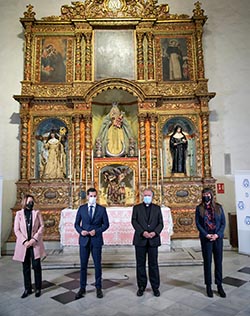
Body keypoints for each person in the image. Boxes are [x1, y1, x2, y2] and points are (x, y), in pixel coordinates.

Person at [74, 187, 110, 299]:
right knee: (83, 266)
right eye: (91, 196)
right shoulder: (82, 209)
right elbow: (76, 224)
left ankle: (98, 288)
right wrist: (81, 231)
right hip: (84, 240)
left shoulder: (102, 209)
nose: (93, 198)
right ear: (87, 197)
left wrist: (97, 231)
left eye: (94, 196)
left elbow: (106, 224)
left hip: (96, 240)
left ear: (97, 197)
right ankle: (82, 288)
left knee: (97, 265)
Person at [131, 188, 164, 297]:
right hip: (140, 240)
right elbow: (134, 221)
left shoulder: (157, 208)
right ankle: (141, 286)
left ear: (152, 196)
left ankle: (155, 287)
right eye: (145, 195)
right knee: (140, 264)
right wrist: (142, 232)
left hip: (153, 240)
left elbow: (160, 223)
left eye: (148, 195)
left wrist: (155, 232)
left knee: (153, 264)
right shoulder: (136, 208)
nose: (146, 197)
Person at [12, 194, 46, 298]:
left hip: (35, 243)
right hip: (24, 245)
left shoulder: (37, 213)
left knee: (36, 266)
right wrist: (24, 241)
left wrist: (34, 239)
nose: (31, 203)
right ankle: (27, 288)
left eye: (32, 201)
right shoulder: (19, 214)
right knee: (26, 267)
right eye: (29, 201)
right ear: (25, 202)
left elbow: (42, 226)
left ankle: (38, 288)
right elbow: (16, 230)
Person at [195, 188, 226, 298]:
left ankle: (219, 285)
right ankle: (208, 285)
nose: (206, 196)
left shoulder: (218, 207)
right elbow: (198, 223)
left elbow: (223, 223)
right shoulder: (199, 208)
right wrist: (206, 234)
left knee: (218, 262)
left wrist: (217, 234)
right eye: (204, 194)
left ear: (211, 195)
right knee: (207, 262)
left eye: (208, 194)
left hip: (217, 238)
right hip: (206, 238)